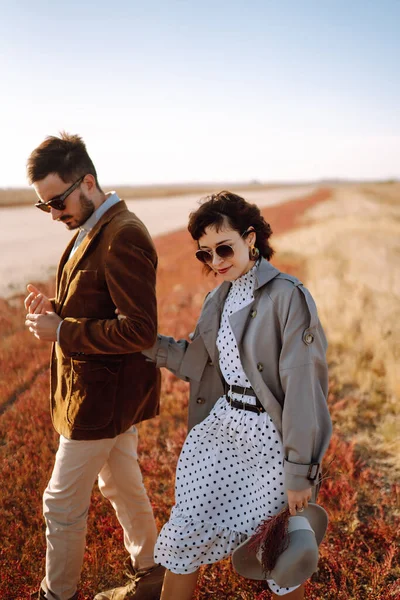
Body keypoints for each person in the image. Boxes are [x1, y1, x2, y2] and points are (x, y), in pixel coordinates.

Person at [142, 191, 332, 600]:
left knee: (278, 550)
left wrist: (301, 471)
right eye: (204, 254)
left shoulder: (287, 296)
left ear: (250, 238)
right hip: (223, 433)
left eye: (223, 247)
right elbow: (196, 361)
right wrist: (140, 342)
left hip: (270, 441)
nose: (216, 261)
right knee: (184, 533)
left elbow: (304, 388)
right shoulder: (219, 297)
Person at [24, 132, 165, 600]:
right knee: (121, 483)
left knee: (60, 503)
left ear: (87, 182)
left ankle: (55, 593)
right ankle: (152, 569)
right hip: (102, 396)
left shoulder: (124, 234)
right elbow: (98, 301)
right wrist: (57, 308)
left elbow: (139, 331)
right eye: (45, 206)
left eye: (57, 201)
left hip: (101, 401)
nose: (54, 214)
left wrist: (62, 331)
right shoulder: (89, 224)